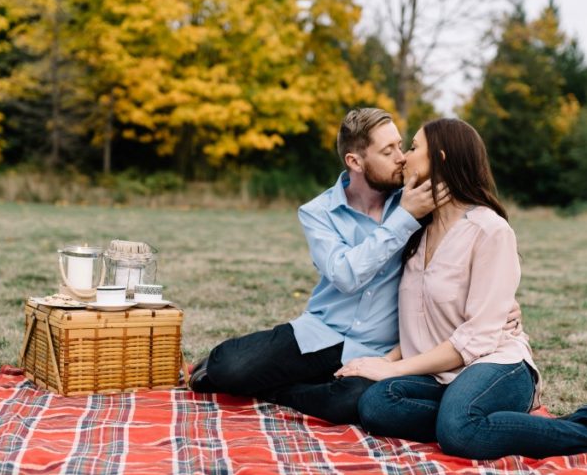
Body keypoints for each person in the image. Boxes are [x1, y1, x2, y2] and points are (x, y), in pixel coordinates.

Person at [336, 118, 587, 459]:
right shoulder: (416, 231)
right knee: (377, 405)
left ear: (439, 159)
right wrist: (382, 361)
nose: (404, 158)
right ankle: (482, 419)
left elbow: (479, 337)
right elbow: (419, 322)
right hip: (440, 372)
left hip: (496, 363)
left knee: (459, 432)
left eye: (412, 147)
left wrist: (392, 370)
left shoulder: (489, 230)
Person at [188, 108, 521, 424]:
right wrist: (402, 220)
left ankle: (277, 391)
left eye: (401, 146)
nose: (401, 157)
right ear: (355, 161)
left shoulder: (419, 202)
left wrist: (503, 304)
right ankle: (252, 372)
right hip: (320, 332)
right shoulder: (319, 213)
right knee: (229, 368)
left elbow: (464, 259)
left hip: (379, 348)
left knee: (351, 402)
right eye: (388, 150)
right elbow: (346, 276)